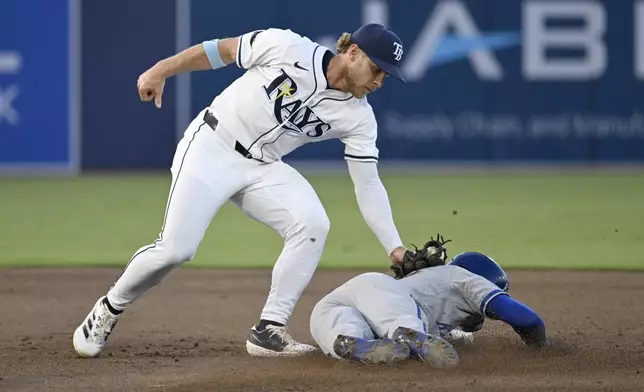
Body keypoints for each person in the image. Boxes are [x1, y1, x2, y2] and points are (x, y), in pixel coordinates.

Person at [73, 23, 413, 358]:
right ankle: (109, 307)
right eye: (376, 68)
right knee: (176, 249)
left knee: (312, 224)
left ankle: (269, 330)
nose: (379, 81)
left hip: (264, 166)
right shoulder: (288, 47)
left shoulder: (359, 118)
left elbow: (368, 183)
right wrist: (161, 70)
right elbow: (218, 51)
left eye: (386, 75)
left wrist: (394, 246)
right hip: (212, 146)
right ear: (352, 52)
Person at [309, 251, 548, 365]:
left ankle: (350, 340)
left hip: (337, 302)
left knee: (340, 325)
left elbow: (466, 326)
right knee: (405, 322)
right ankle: (407, 335)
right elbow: (528, 320)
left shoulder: (437, 282)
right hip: (387, 295)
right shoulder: (467, 278)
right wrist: (541, 345)